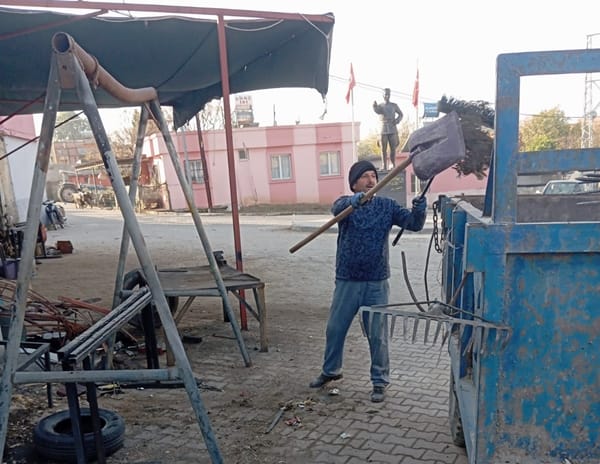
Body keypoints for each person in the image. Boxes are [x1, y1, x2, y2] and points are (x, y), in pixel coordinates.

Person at [309, 160, 427, 403]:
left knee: (377, 335)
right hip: (347, 280)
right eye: (364, 176)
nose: (371, 180)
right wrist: (354, 202)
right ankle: (331, 371)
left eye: (373, 175)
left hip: (376, 282)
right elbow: (336, 208)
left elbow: (414, 225)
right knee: (335, 329)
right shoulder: (346, 205)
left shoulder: (387, 206)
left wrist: (420, 208)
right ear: (354, 184)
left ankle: (379, 382)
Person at [372, 88, 403, 170]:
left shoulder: (394, 105)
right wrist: (374, 106)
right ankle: (384, 165)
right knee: (383, 149)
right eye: (385, 94)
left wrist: (397, 120)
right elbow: (377, 111)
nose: (387, 96)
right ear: (383, 95)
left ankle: (393, 164)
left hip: (392, 128)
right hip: (383, 128)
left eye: (388, 94)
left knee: (393, 148)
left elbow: (401, 114)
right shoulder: (380, 106)